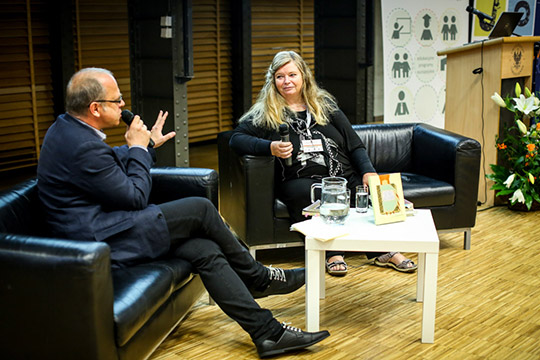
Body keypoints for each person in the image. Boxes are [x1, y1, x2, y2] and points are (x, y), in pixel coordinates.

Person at [37, 67, 330, 358]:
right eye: (118, 100)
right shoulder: (82, 145)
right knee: (199, 208)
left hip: (104, 226)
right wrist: (138, 149)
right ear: (95, 108)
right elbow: (135, 197)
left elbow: (112, 160)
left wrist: (146, 145)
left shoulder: (68, 129)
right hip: (97, 242)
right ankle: (258, 277)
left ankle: (267, 334)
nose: (124, 105)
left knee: (203, 249)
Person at [230, 51, 417, 276]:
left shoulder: (325, 106)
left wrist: (368, 171)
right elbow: (236, 139)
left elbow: (354, 144)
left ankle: (383, 250)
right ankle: (332, 252)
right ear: (273, 81)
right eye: (280, 76)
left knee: (366, 190)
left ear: (304, 77)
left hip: (341, 175)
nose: (286, 81)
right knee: (305, 193)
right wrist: (269, 147)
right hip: (299, 179)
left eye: (292, 74)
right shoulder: (267, 113)